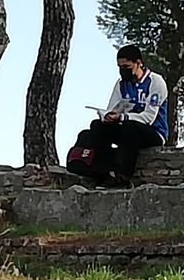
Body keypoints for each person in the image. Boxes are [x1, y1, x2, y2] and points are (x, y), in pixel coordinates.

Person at [68, 45, 168, 187]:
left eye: (126, 66)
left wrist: (122, 117)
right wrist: (107, 117)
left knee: (130, 127)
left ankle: (123, 176)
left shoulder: (155, 82)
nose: (123, 71)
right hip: (127, 127)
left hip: (153, 132)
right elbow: (112, 108)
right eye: (120, 67)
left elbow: (149, 117)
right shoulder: (121, 85)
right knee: (97, 126)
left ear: (138, 63)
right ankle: (103, 172)